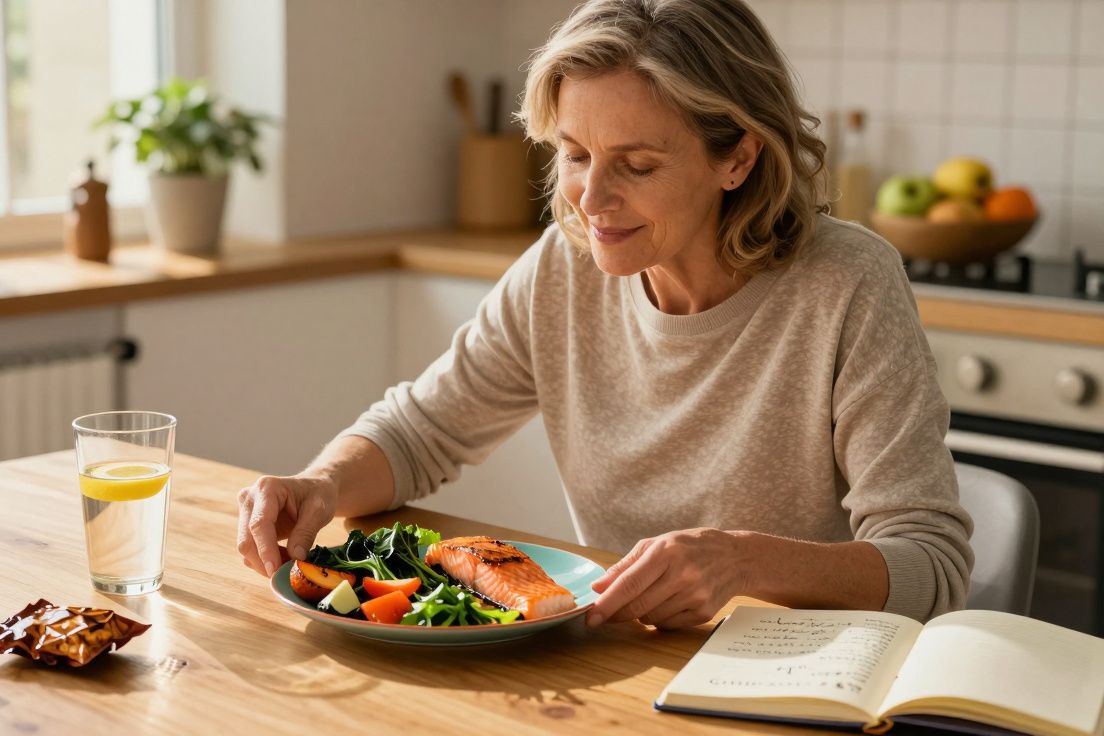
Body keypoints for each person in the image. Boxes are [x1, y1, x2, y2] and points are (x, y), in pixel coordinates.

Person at [237, 0, 972, 629]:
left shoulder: (848, 284)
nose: (591, 201)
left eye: (638, 165)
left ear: (738, 159)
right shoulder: (565, 266)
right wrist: (321, 485)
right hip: (625, 667)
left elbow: (931, 566)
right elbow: (418, 433)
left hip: (805, 683)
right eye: (576, 154)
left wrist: (741, 561)